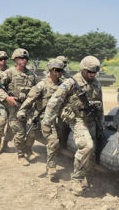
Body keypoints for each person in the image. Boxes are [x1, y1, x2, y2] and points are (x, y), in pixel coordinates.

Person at [41, 56, 104, 195]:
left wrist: (101, 124)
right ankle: (76, 179)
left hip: (91, 120)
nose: (92, 75)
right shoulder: (71, 82)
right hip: (76, 119)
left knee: (92, 153)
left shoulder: (96, 84)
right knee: (86, 146)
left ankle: (88, 178)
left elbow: (100, 105)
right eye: (89, 72)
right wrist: (47, 122)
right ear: (83, 69)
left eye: (94, 72)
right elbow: (54, 102)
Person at [17, 59, 64, 181]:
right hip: (42, 117)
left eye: (61, 70)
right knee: (32, 136)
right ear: (51, 71)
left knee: (53, 141)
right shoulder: (41, 85)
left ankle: (51, 167)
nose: (60, 73)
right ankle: (26, 152)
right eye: (57, 70)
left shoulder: (63, 86)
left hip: (58, 119)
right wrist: (22, 111)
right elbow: (29, 100)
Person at [0, 48, 37, 166]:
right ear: (15, 59)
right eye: (21, 58)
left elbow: (37, 90)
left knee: (32, 132)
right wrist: (6, 98)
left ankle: (28, 149)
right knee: (19, 132)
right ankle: (20, 155)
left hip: (28, 108)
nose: (24, 60)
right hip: (14, 108)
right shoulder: (9, 73)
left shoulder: (31, 75)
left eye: (25, 58)